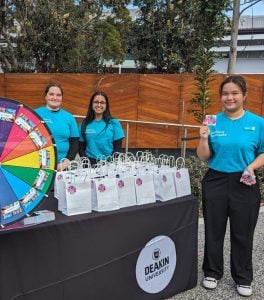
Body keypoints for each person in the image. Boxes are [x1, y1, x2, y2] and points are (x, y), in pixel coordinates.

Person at [197, 75, 264, 297]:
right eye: (225, 93)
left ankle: (243, 277)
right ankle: (212, 272)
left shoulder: (258, 123)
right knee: (213, 230)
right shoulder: (212, 121)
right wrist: (204, 139)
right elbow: (204, 157)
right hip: (216, 180)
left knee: (243, 232)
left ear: (244, 95)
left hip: (245, 181)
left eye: (235, 93)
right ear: (221, 97)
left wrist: (252, 166)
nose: (230, 97)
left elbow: (263, 152)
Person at [36, 83, 79, 171]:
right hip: (39, 165)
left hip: (63, 165)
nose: (55, 98)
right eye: (51, 94)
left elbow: (74, 143)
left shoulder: (69, 117)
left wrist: (65, 163)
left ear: (62, 98)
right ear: (46, 96)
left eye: (58, 95)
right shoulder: (35, 114)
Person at [79, 91, 125, 165]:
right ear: (91, 104)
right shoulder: (84, 124)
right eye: (96, 102)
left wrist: (110, 163)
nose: (99, 105)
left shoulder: (114, 122)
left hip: (109, 163)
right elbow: (81, 148)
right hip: (90, 164)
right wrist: (86, 163)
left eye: (102, 102)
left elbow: (118, 148)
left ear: (106, 105)